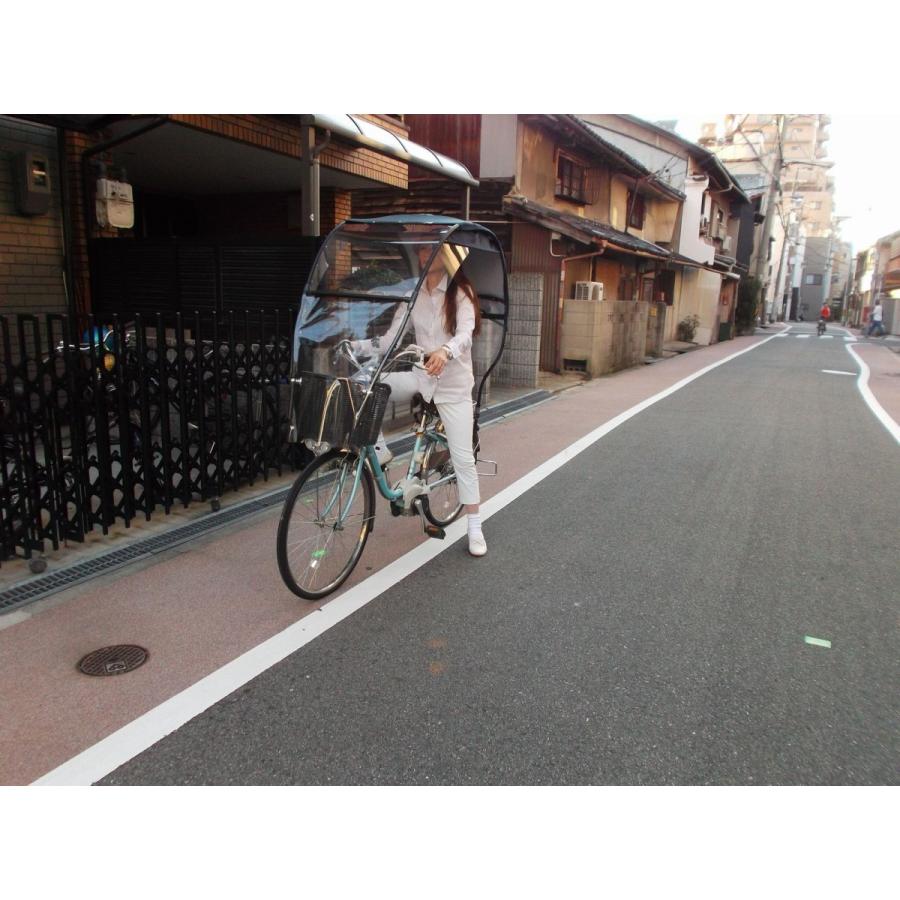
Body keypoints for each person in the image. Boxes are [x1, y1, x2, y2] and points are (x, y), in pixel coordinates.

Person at [353, 241, 487, 557]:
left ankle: (475, 526)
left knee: (463, 458)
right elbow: (388, 340)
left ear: (447, 256)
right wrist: (354, 346)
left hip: (453, 387)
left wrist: (445, 350)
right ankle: (381, 450)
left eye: (433, 250)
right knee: (369, 386)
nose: (425, 255)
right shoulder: (415, 295)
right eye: (422, 251)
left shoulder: (460, 294)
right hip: (421, 377)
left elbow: (466, 335)